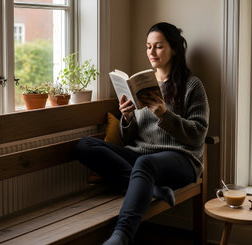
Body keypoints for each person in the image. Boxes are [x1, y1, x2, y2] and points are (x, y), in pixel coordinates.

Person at [74, 22, 209, 245]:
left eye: (158, 46)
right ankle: (153, 188)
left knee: (145, 164)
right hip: (141, 157)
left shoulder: (192, 86)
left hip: (181, 158)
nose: (152, 52)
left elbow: (198, 135)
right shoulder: (142, 85)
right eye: (148, 46)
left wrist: (164, 114)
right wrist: (127, 118)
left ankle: (121, 236)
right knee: (84, 146)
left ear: (174, 49)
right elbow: (130, 139)